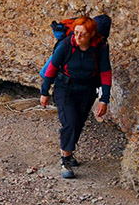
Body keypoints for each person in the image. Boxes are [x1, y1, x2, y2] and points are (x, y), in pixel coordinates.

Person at [39, 15, 111, 178]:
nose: (77, 37)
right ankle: (65, 159)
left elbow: (105, 74)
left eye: (82, 34)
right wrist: (44, 92)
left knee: (78, 123)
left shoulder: (101, 47)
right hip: (65, 88)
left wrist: (103, 98)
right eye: (75, 32)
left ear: (92, 34)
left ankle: (69, 152)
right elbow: (52, 68)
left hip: (88, 89)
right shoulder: (66, 45)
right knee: (70, 122)